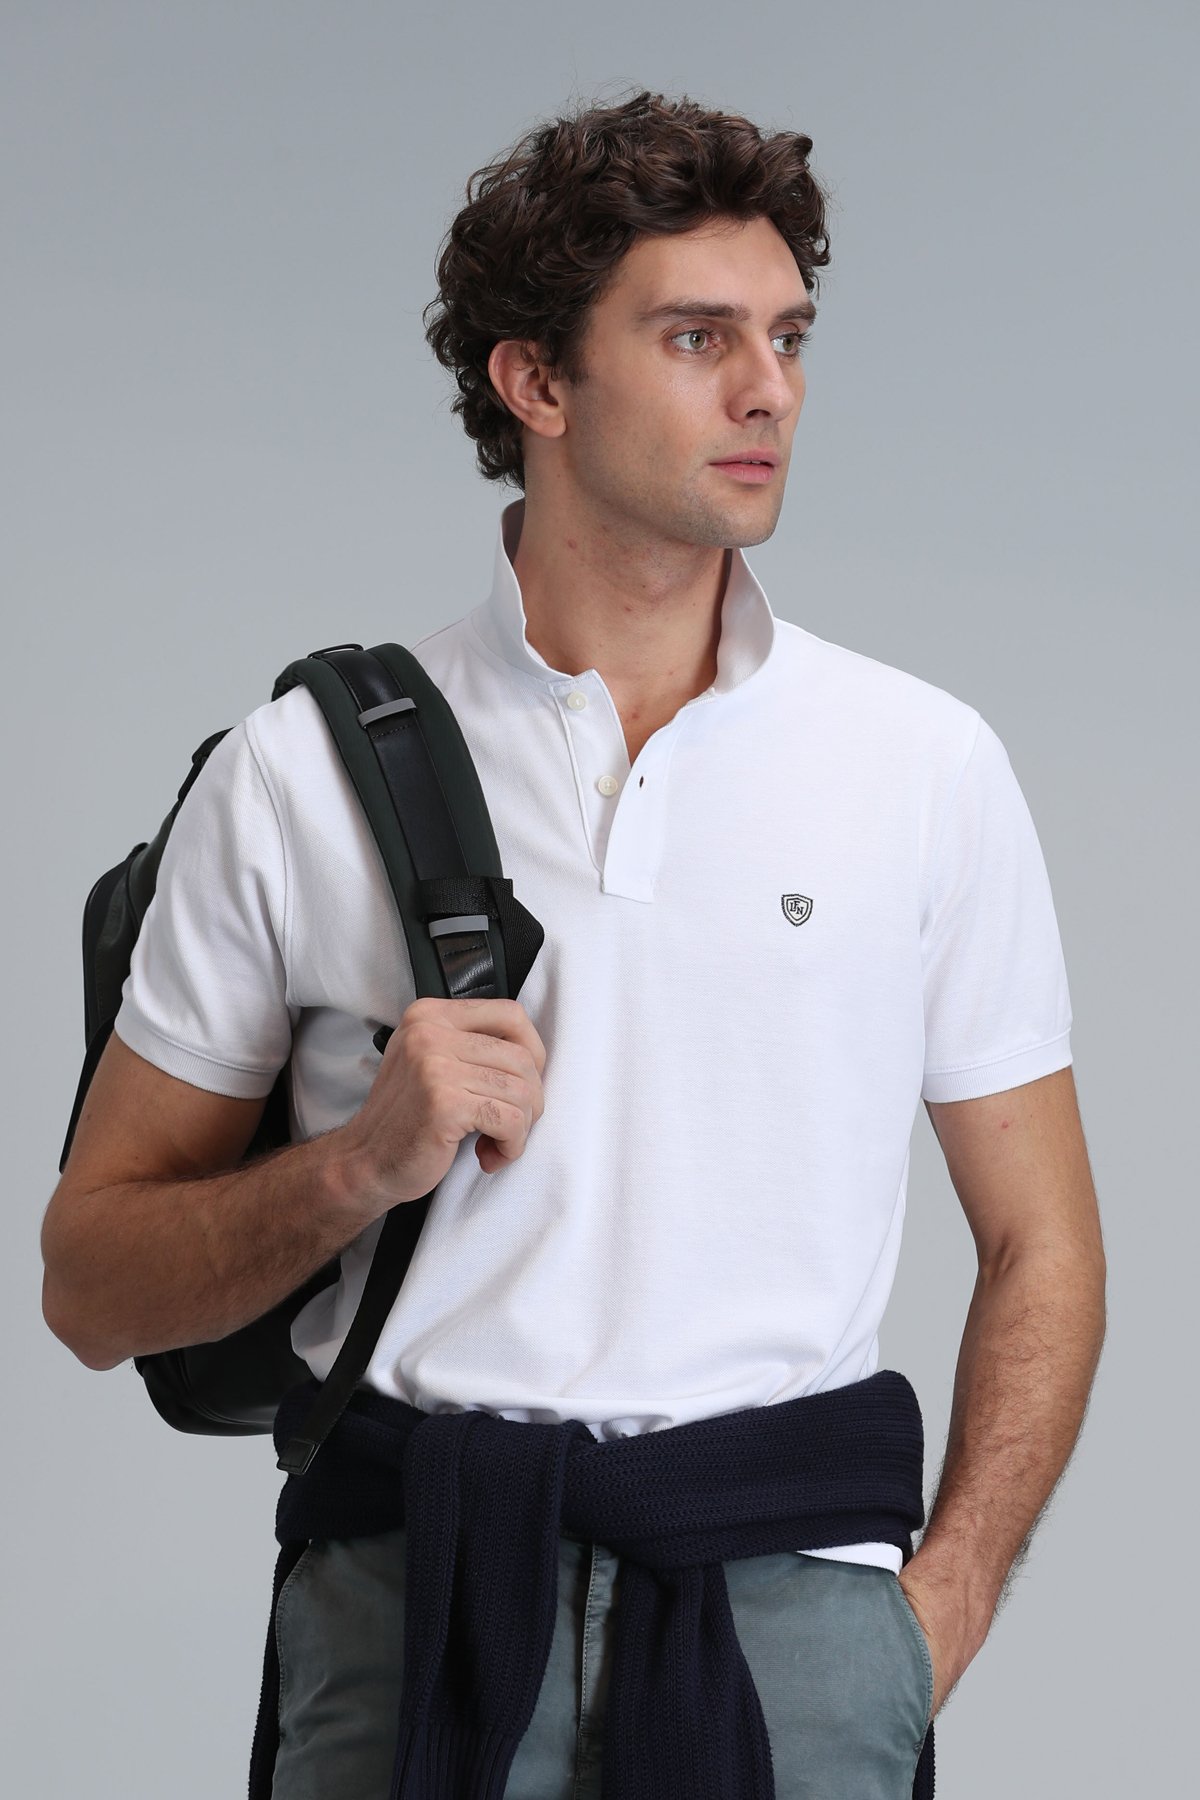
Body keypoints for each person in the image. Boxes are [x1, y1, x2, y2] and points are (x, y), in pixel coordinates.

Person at [41, 90, 1106, 1800]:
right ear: (534, 382)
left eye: (787, 337)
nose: (769, 389)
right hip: (417, 1602)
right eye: (697, 338)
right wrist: (355, 1166)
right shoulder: (299, 774)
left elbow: (1044, 1241)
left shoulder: (924, 766)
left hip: (793, 1623)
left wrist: (938, 1613)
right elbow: (92, 1284)